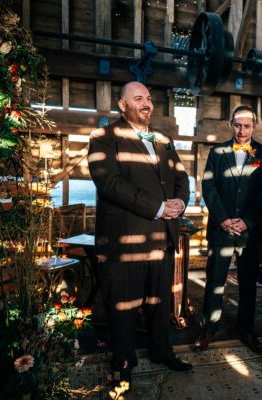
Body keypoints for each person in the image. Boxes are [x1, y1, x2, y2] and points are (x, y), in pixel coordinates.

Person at [88, 81, 192, 386]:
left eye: (148, 98)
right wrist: (159, 207)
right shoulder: (103, 137)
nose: (146, 103)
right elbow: (110, 183)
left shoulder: (164, 139)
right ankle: (123, 361)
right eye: (138, 99)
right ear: (122, 105)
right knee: (123, 304)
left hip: (162, 237)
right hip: (125, 239)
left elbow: (181, 177)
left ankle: (162, 352)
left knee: (160, 302)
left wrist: (181, 202)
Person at [194, 105, 262, 354]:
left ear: (255, 126)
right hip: (221, 229)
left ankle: (246, 330)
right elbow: (209, 188)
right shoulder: (216, 152)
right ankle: (208, 329)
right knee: (214, 281)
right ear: (231, 124)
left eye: (246, 126)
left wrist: (247, 221)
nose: (241, 131)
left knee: (248, 283)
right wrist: (222, 219)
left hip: (250, 233)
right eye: (237, 125)